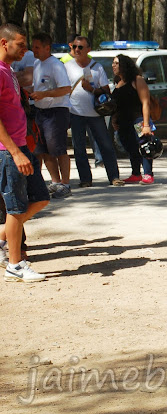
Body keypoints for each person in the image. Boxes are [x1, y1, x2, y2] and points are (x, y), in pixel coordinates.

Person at [0, 23, 50, 282]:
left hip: (21, 146)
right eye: (20, 45)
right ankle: (15, 264)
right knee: (16, 207)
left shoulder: (8, 70)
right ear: (4, 43)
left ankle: (3, 239)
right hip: (9, 150)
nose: (25, 50)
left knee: (41, 197)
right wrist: (15, 152)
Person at [65, 36, 124, 187]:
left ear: (88, 50)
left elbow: (106, 89)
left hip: (96, 113)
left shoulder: (97, 67)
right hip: (75, 112)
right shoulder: (67, 66)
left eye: (80, 47)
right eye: (74, 47)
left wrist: (91, 89)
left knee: (106, 145)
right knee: (79, 148)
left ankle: (114, 177)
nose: (77, 50)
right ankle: (85, 179)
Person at [30, 32, 73, 199]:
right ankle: (55, 182)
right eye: (33, 47)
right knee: (44, 150)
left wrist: (44, 94)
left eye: (37, 47)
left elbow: (66, 88)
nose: (34, 50)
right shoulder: (37, 63)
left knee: (59, 149)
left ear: (47, 48)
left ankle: (66, 184)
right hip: (40, 111)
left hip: (56, 111)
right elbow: (38, 86)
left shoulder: (56, 65)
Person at [111, 54, 155, 185]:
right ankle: (136, 173)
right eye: (113, 63)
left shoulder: (137, 80)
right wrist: (114, 119)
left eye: (116, 63)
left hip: (138, 119)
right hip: (123, 121)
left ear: (124, 65)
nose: (113, 66)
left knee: (144, 146)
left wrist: (146, 124)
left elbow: (145, 102)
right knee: (130, 147)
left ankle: (148, 174)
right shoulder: (118, 83)